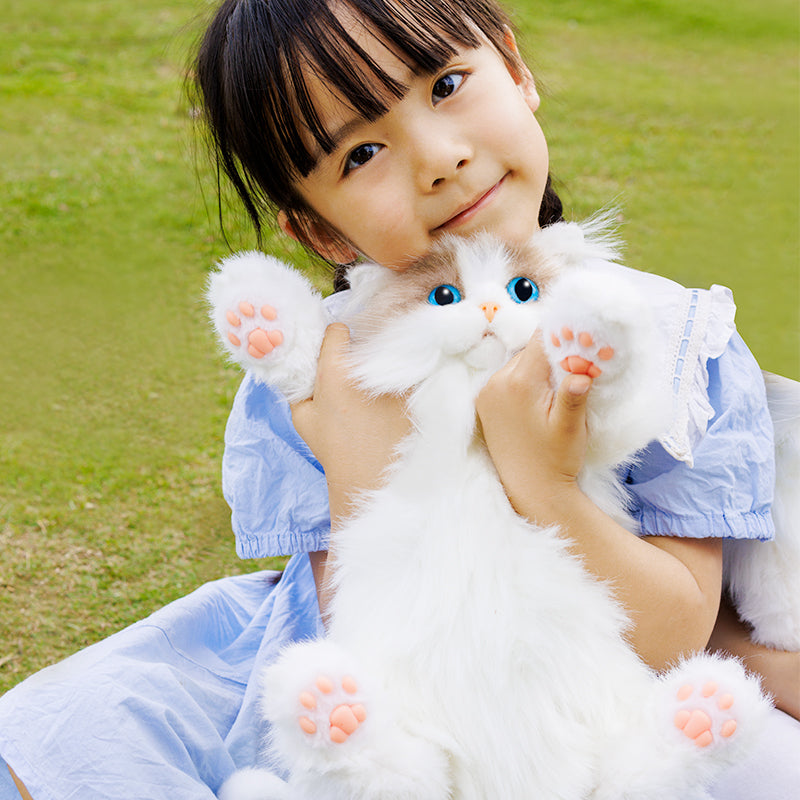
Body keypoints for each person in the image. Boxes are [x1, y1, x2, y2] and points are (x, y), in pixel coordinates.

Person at [1, 0, 798, 797]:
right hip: (371, 695)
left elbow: (673, 636)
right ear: (322, 233)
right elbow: (361, 615)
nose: (438, 160)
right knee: (72, 729)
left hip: (586, 696)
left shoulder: (673, 339)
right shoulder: (327, 361)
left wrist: (547, 483)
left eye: (446, 83)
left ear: (517, 71)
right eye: (361, 154)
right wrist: (361, 463)